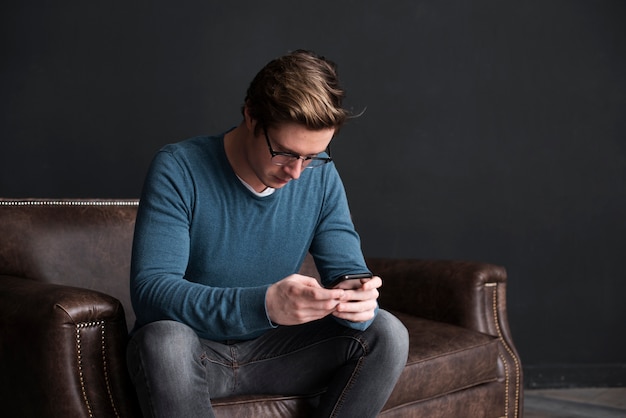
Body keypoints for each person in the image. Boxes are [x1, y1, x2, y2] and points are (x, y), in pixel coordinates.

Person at [127, 49, 409, 418]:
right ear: (251, 116)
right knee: (165, 341)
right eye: (284, 153)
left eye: (312, 157)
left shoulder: (319, 176)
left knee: (387, 332)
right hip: (194, 352)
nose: (295, 172)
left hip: (277, 355)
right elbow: (151, 291)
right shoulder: (180, 168)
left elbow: (347, 269)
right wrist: (264, 305)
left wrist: (357, 299)